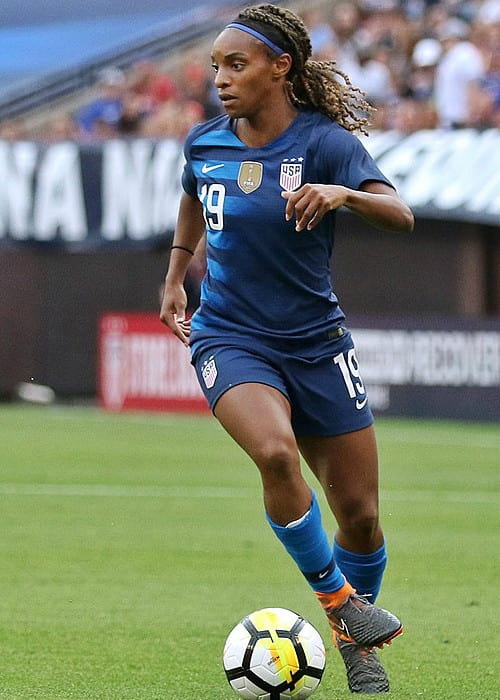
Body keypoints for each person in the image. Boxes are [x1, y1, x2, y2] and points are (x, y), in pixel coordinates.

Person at [160, 4, 414, 694]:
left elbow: (401, 212)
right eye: (215, 66)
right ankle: (343, 608)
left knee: (359, 516)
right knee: (275, 453)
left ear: (281, 69)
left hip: (317, 344)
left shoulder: (326, 144)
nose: (220, 79)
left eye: (235, 65)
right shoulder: (205, 143)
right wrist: (177, 272)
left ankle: (358, 646)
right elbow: (193, 197)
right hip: (230, 335)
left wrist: (342, 195)